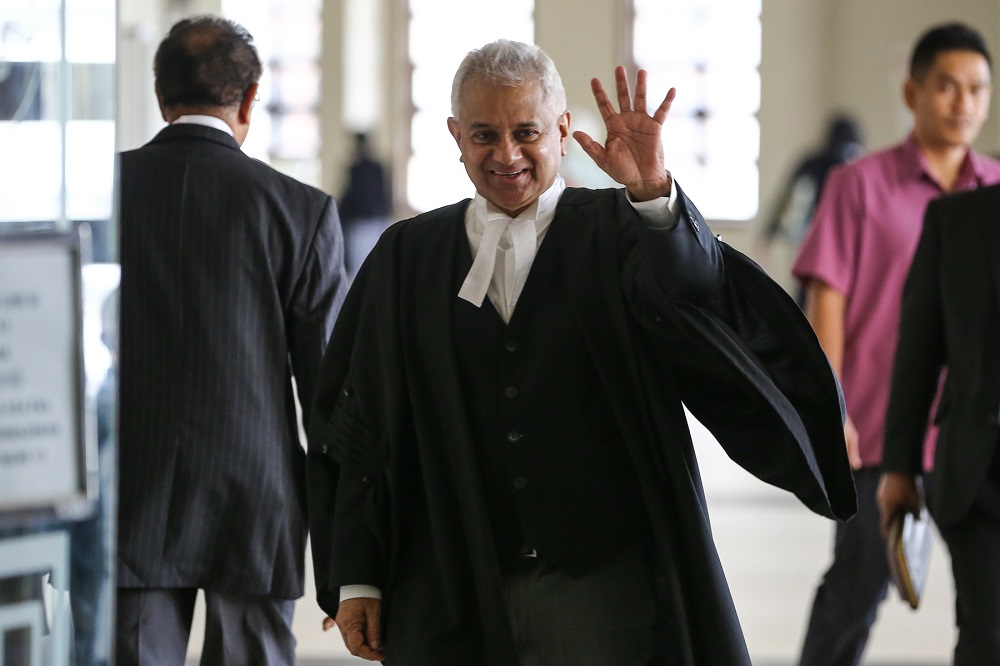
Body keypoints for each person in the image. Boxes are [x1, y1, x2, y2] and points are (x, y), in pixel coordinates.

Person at [306, 39, 855, 665]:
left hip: (600, 586)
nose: (506, 154)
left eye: (527, 132)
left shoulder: (620, 232)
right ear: (455, 135)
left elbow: (699, 295)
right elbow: (360, 426)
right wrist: (358, 577)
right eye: (484, 134)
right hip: (452, 578)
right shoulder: (408, 258)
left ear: (563, 131)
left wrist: (653, 193)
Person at [116, 15, 348, 665]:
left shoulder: (101, 198)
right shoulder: (301, 212)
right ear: (249, 100)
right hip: (256, 503)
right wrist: (348, 564)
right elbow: (329, 398)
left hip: (133, 495)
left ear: (162, 97)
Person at [791, 22, 1000, 666]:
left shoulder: (993, 192)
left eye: (976, 89)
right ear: (912, 93)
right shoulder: (860, 186)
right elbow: (829, 299)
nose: (962, 103)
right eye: (945, 86)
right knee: (856, 592)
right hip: (881, 433)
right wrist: (835, 413)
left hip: (974, 436)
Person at [878, 182, 1000, 665]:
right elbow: (918, 353)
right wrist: (899, 468)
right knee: (988, 634)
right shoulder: (957, 221)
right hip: (980, 471)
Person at [758, 114, 864, 306]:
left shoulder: (857, 169)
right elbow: (788, 198)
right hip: (817, 241)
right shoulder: (817, 164)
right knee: (812, 295)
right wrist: (769, 235)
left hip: (838, 243)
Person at [338, 132, 391, 277]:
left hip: (362, 223)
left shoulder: (358, 169)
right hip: (374, 220)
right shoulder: (375, 167)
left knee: (361, 268)